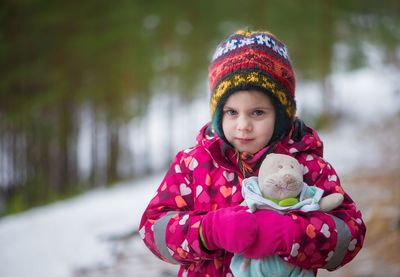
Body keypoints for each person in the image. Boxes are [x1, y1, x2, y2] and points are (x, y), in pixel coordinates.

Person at [139, 30, 366, 276]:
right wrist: (208, 231)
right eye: (232, 112)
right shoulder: (193, 164)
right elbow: (153, 228)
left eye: (257, 113)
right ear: (218, 114)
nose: (243, 125)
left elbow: (350, 234)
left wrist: (288, 234)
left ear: (281, 115)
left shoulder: (306, 165)